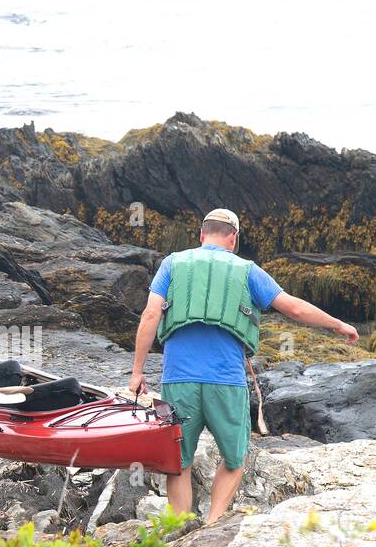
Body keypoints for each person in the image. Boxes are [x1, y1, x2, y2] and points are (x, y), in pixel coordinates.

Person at [129, 208, 358, 523]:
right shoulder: (248, 270)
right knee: (235, 460)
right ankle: (212, 523)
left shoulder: (172, 263)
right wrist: (337, 324)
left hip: (178, 381)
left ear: (201, 235)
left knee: (177, 463)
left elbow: (151, 315)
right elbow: (294, 308)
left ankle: (178, 527)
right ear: (233, 239)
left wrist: (137, 371)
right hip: (226, 382)